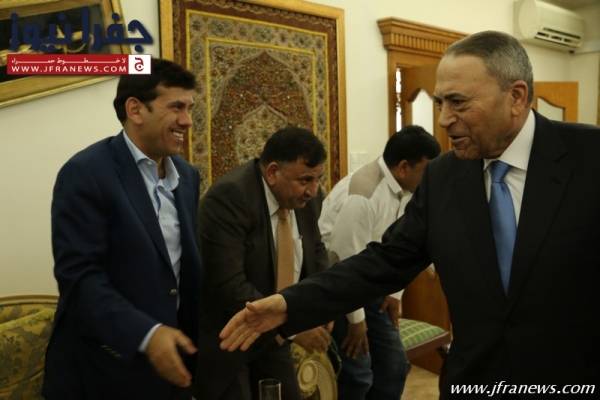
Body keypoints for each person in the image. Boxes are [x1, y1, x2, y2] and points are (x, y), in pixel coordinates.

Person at [219, 31, 600, 398]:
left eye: (458, 102)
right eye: (440, 103)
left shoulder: (590, 158)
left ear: (516, 97)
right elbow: (384, 262)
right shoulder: (444, 176)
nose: (445, 119)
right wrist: (291, 303)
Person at [43, 58, 203, 400]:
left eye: (190, 108)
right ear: (135, 109)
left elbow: (181, 272)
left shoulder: (188, 178)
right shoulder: (85, 173)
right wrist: (148, 334)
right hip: (103, 372)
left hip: (169, 369)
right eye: (176, 107)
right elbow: (80, 279)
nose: (187, 121)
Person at [193, 127, 331, 400]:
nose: (313, 191)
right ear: (272, 172)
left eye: (318, 179)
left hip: (276, 336)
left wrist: (322, 304)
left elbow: (316, 253)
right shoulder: (230, 197)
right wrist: (294, 325)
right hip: (233, 339)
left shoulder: (308, 198)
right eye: (305, 180)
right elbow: (229, 285)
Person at [319, 125, 440, 399]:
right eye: (426, 171)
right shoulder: (362, 196)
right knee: (358, 375)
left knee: (395, 367)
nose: (430, 179)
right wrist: (356, 322)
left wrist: (394, 294)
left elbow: (403, 247)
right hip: (339, 291)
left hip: (371, 285)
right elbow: (344, 261)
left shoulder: (408, 190)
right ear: (403, 167)